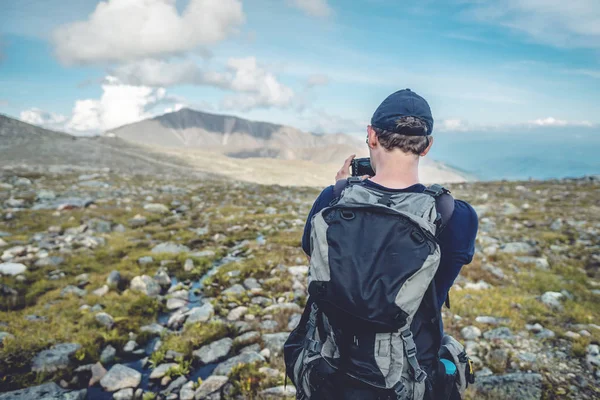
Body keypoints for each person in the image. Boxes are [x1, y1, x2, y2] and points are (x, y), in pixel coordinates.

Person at [285, 89, 478, 399]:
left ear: (371, 136)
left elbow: (315, 253)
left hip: (330, 370)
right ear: (427, 146)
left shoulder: (331, 200)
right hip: (407, 377)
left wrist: (342, 192)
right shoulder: (454, 216)